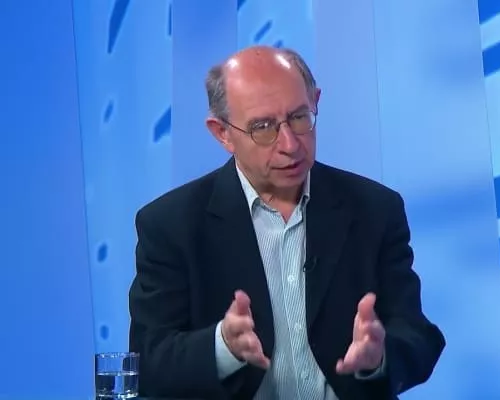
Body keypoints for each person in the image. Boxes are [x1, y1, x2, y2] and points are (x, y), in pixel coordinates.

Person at [128, 45, 445, 400]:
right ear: (222, 133)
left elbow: (418, 336)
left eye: (299, 117)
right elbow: (149, 363)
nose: (290, 144)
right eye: (262, 127)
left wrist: (380, 355)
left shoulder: (374, 209)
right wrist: (222, 347)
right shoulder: (171, 225)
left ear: (316, 101)